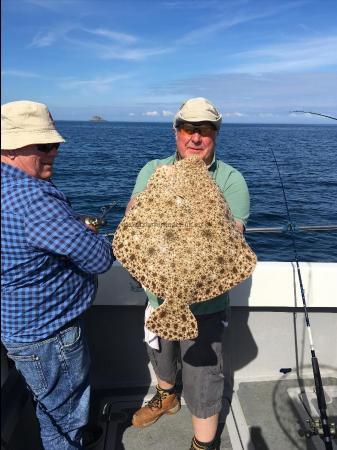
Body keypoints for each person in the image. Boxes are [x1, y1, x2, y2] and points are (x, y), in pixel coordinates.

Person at [126, 97, 250, 450]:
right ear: (176, 132)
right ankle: (166, 397)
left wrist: (206, 206)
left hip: (207, 304)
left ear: (216, 134)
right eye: (188, 129)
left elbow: (235, 235)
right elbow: (133, 219)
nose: (195, 138)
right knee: (161, 358)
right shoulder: (154, 169)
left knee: (203, 379)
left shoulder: (230, 179)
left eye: (205, 130)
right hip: (158, 296)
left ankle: (203, 443)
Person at [1, 100, 114, 449]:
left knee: (49, 406)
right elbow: (98, 260)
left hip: (17, 326)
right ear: (9, 147)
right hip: (48, 336)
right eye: (44, 145)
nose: (54, 152)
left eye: (55, 144)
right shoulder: (33, 199)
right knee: (65, 423)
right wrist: (89, 236)